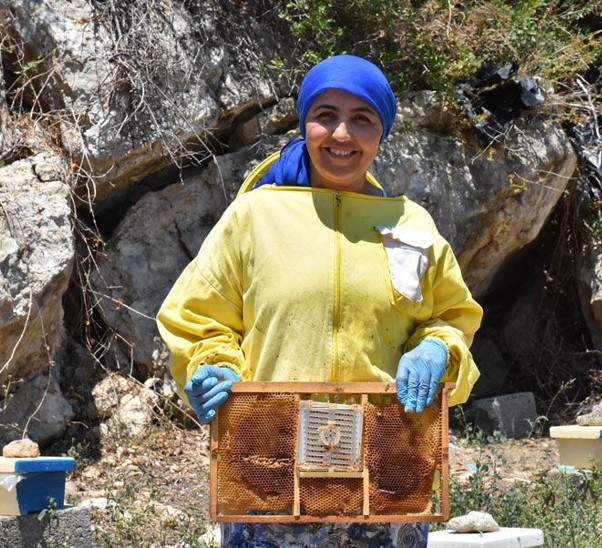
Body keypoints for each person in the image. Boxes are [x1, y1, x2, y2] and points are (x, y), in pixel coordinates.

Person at [157, 54, 482, 548]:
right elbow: (198, 317)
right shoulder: (255, 217)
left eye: (362, 119)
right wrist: (213, 363)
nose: (342, 134)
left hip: (387, 476)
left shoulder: (411, 226)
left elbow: (449, 318)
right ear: (305, 121)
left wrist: (438, 348)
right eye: (326, 115)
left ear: (382, 131)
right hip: (268, 473)